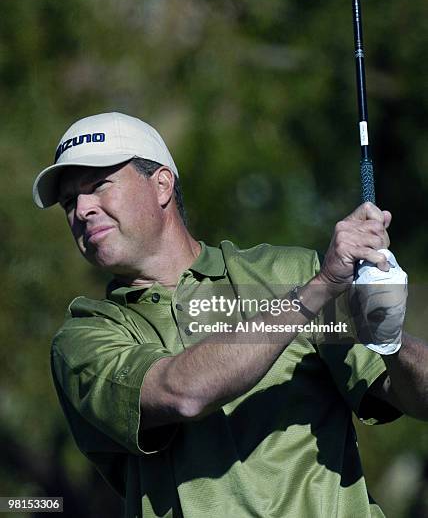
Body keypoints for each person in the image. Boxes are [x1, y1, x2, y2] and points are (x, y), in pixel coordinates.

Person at [33, 111, 428, 518]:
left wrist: (389, 337)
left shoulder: (287, 274)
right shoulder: (84, 338)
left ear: (162, 184)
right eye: (68, 201)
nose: (81, 210)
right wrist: (321, 287)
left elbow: (413, 395)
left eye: (98, 186)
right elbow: (181, 393)